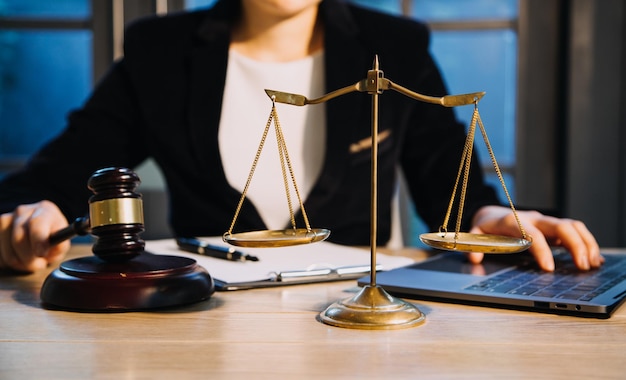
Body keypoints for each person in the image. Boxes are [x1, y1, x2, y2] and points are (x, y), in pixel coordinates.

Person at [0, 0, 601, 273]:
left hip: (358, 334)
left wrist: (490, 214)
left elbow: (448, 169)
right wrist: (29, 219)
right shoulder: (162, 53)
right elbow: (56, 177)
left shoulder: (392, 46)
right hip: (199, 335)